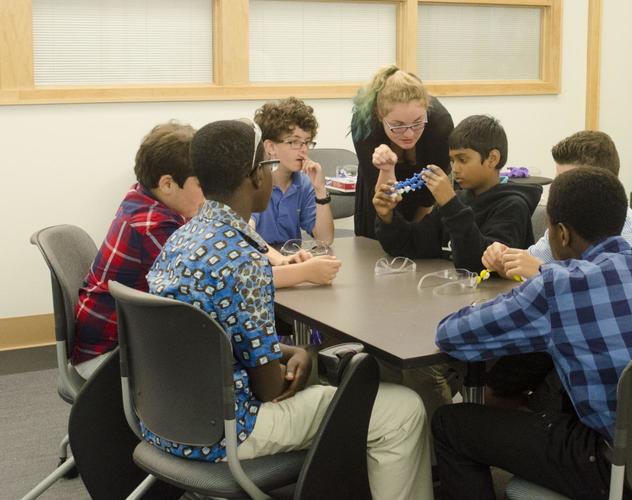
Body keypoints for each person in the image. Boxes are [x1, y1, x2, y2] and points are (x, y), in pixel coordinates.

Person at [144, 119, 432, 500]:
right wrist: (309, 357)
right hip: (229, 431)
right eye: (265, 167)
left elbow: (211, 332)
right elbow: (271, 389)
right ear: (253, 177)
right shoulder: (244, 259)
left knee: (340, 384)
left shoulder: (184, 236)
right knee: (402, 409)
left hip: (167, 418)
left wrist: (286, 350)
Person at [432, 167, 632, 500]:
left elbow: (452, 336)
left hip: (619, 466)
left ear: (561, 233)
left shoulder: (560, 284)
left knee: (451, 424)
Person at [73, 121, 203, 378]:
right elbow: (203, 280)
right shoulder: (153, 227)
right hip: (108, 359)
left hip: (121, 341)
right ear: (167, 184)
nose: (206, 192)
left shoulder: (143, 196)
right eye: (200, 183)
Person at [373, 115, 541, 272]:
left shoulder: (513, 206)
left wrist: (451, 205)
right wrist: (387, 217)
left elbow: (480, 265)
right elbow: (410, 245)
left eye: (463, 160)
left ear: (492, 159)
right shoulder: (459, 200)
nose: (455, 169)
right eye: (452, 161)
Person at [482, 130, 632, 280]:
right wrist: (504, 258)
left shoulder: (630, 233)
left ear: (603, 184)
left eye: (569, 184)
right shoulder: (567, 220)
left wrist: (543, 272)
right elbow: (530, 263)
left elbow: (612, 291)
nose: (560, 193)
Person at [351, 64, 454, 239]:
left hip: (424, 195)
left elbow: (428, 198)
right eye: (398, 125)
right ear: (379, 115)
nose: (409, 133)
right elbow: (382, 200)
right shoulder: (365, 124)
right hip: (379, 193)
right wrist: (386, 168)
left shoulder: (440, 125)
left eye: (417, 122)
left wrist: (413, 238)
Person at [251, 97, 335, 247]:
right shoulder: (254, 182)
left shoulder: (303, 183)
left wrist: (320, 189)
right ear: (270, 147)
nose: (303, 149)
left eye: (307, 142)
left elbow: (325, 240)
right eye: (294, 142)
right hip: (259, 263)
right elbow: (247, 236)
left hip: (292, 261)